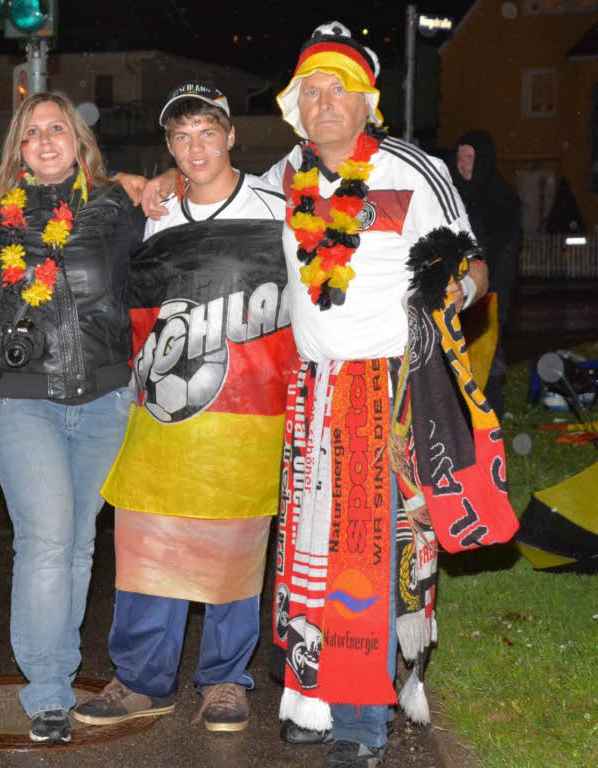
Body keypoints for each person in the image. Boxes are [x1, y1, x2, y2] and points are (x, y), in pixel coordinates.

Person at [262, 23, 490, 768]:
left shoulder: (412, 169)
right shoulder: (282, 178)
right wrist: (153, 184)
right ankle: (313, 696)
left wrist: (455, 289)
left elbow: (472, 268)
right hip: (314, 392)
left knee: (378, 552)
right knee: (310, 553)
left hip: (389, 395)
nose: (323, 104)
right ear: (295, 108)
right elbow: (216, 197)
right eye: (310, 93)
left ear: (368, 104)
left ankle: (367, 717)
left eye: (339, 90)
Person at [73, 83, 297, 733]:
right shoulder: (152, 210)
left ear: (230, 136)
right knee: (148, 546)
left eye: (207, 132)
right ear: (168, 145)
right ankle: (142, 680)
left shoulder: (281, 209)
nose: (195, 147)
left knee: (236, 552)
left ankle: (225, 681)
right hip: (162, 415)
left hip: (251, 414)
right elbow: (71, 188)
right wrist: (130, 178)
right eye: (180, 136)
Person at [0, 90, 143, 745]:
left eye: (57, 129)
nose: (46, 140)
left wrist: (156, 183)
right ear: (18, 150)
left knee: (79, 545)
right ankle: (50, 691)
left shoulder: (117, 207)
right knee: (48, 542)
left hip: (108, 399)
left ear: (79, 142)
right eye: (32, 134)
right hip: (26, 400)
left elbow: (176, 239)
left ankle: (56, 671)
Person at [452, 131, 522, 415]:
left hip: (490, 290)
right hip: (459, 288)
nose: (463, 163)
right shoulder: (454, 193)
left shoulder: (500, 196)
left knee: (487, 354)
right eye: (460, 156)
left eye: (469, 156)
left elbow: (494, 247)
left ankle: (490, 412)